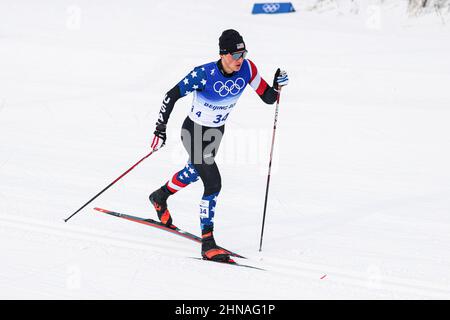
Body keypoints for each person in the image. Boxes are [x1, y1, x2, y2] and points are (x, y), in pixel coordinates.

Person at [148, 29, 289, 262]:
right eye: (235, 55)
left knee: (194, 172)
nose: (239, 60)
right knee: (213, 183)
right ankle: (208, 243)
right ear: (223, 54)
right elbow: (170, 95)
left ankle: (159, 196)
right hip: (192, 132)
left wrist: (277, 87)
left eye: (242, 54)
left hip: (216, 132)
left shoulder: (248, 69)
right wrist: (160, 129)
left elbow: (268, 98)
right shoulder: (203, 74)